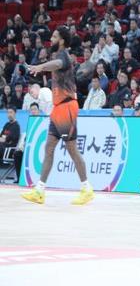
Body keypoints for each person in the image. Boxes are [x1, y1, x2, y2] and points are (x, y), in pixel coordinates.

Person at [21, 26, 94, 205]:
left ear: (61, 40)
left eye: (54, 36)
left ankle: (86, 189)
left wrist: (40, 67)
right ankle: (39, 190)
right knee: (49, 148)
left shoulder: (64, 56)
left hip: (67, 107)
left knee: (71, 149)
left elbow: (57, 64)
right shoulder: (58, 54)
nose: (51, 39)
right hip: (58, 108)